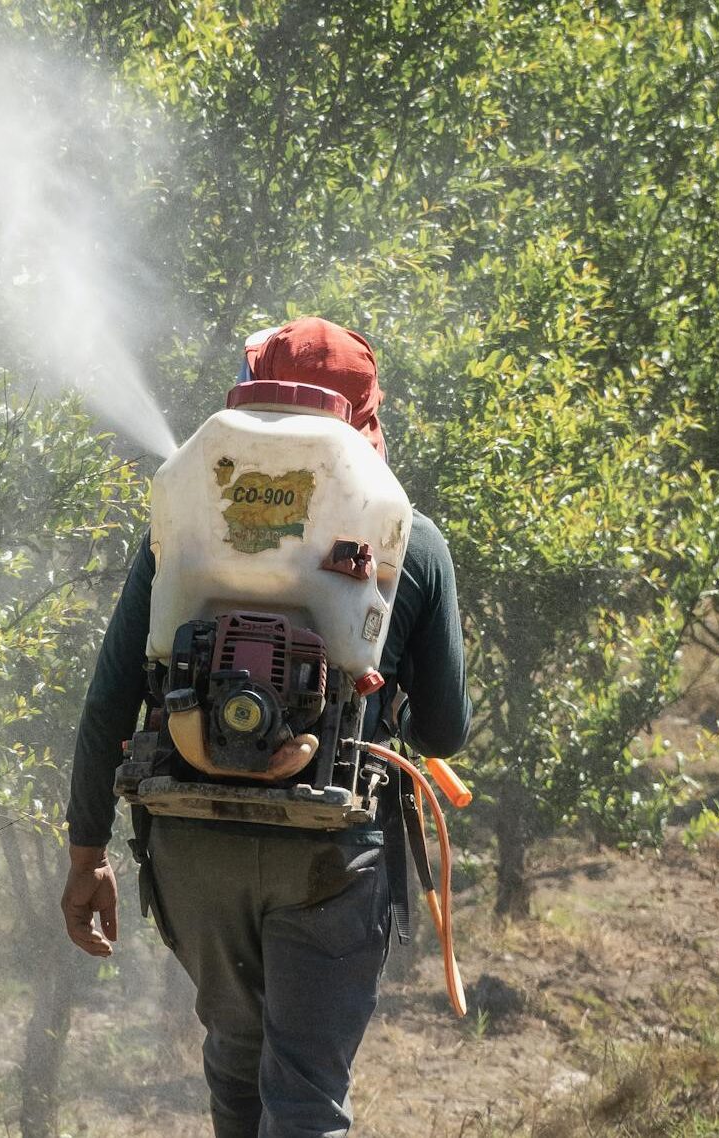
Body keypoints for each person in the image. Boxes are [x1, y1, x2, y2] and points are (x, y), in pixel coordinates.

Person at [61, 316, 471, 1138]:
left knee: (236, 1066)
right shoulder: (409, 541)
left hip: (190, 839)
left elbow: (109, 700)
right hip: (327, 850)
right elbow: (443, 733)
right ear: (363, 416)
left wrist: (86, 855)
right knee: (305, 1098)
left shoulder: (178, 532)